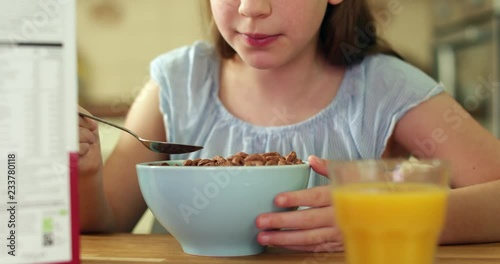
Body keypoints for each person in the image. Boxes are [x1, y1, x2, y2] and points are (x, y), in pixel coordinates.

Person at [79, 0, 500, 252]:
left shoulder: (384, 89)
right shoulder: (177, 83)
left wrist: (387, 215)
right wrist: (85, 171)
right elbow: (108, 220)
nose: (251, 8)